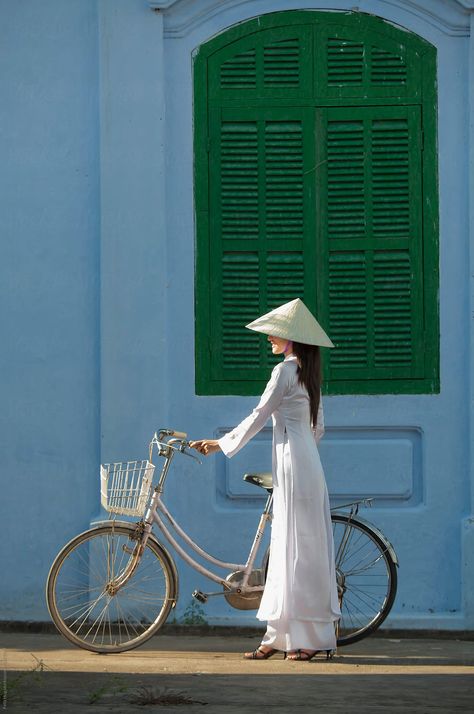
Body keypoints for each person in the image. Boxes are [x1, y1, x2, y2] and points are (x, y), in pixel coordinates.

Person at [190, 298, 341, 661]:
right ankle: (281, 636)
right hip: (307, 464)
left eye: (276, 333)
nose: (269, 338)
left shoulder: (285, 372)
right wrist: (297, 447)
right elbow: (317, 428)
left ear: (291, 339)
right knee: (294, 549)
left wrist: (221, 443)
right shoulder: (308, 374)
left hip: (293, 465)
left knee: (295, 549)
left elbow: (260, 414)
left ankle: (301, 639)